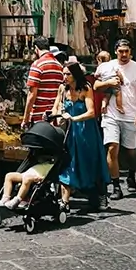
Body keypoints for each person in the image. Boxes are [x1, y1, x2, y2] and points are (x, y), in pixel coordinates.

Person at [52, 63, 110, 213]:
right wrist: (57, 117)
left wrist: (74, 118)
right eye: (63, 74)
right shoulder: (62, 89)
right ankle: (64, 201)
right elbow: (57, 106)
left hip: (85, 131)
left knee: (89, 163)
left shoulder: (85, 88)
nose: (64, 77)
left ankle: (100, 195)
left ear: (75, 75)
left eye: (67, 75)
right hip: (69, 133)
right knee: (67, 164)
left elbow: (91, 112)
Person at [94, 39, 136, 198]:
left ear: (130, 51)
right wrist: (109, 82)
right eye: (121, 51)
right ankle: (116, 185)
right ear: (115, 51)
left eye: (126, 51)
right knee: (112, 147)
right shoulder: (106, 66)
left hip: (130, 115)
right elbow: (95, 86)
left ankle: (131, 174)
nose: (124, 54)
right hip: (111, 114)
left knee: (131, 151)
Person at [22, 35, 65, 128]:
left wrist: (25, 119)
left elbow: (32, 95)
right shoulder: (59, 66)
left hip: (39, 117)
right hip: (54, 115)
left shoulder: (37, 65)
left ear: (36, 48)